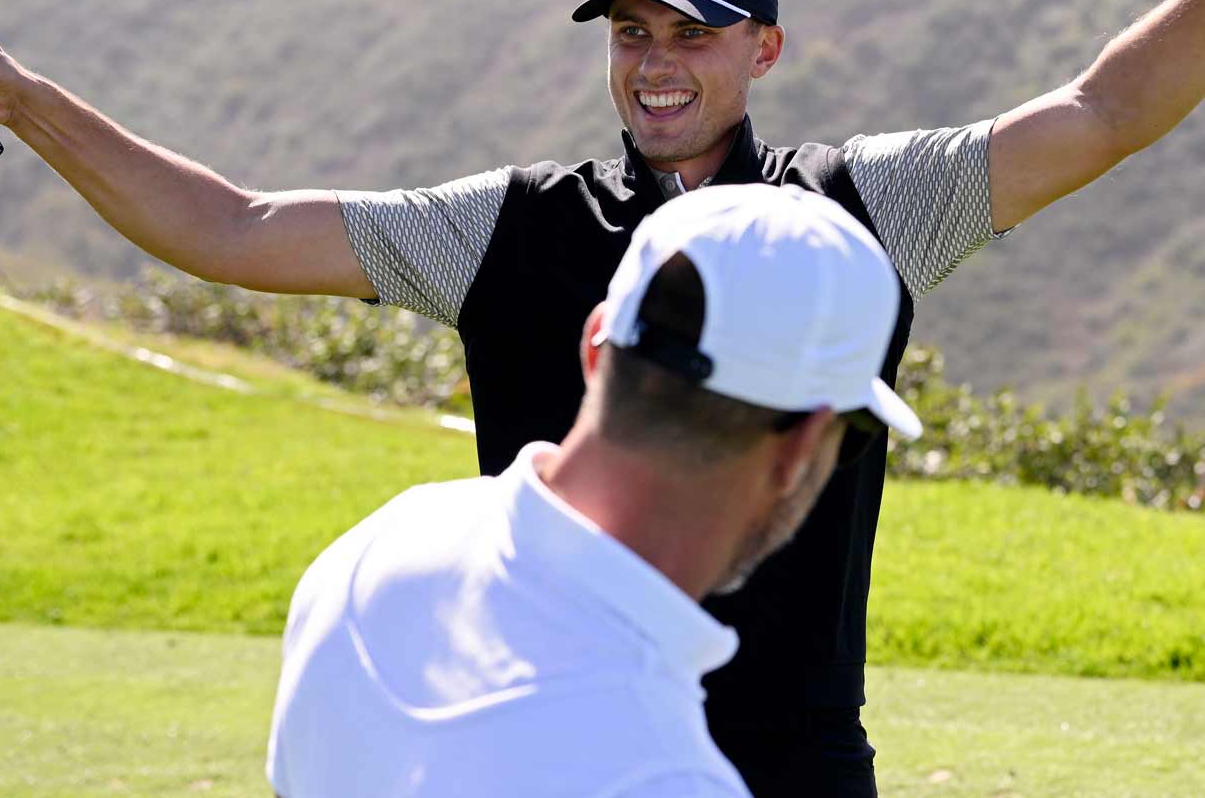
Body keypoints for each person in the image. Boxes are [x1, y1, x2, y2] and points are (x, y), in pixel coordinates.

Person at [0, 0, 1205, 796]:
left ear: (762, 50)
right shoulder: (504, 224)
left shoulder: (863, 205)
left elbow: (1100, 113)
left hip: (790, 755)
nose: (656, 66)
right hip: (543, 722)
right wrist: (16, 98)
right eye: (631, 33)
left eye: (693, 33)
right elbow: (233, 228)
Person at [266, 182, 923, 797]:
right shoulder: (666, 777)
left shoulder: (366, 555)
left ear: (594, 347)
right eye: (855, 432)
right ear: (803, 447)